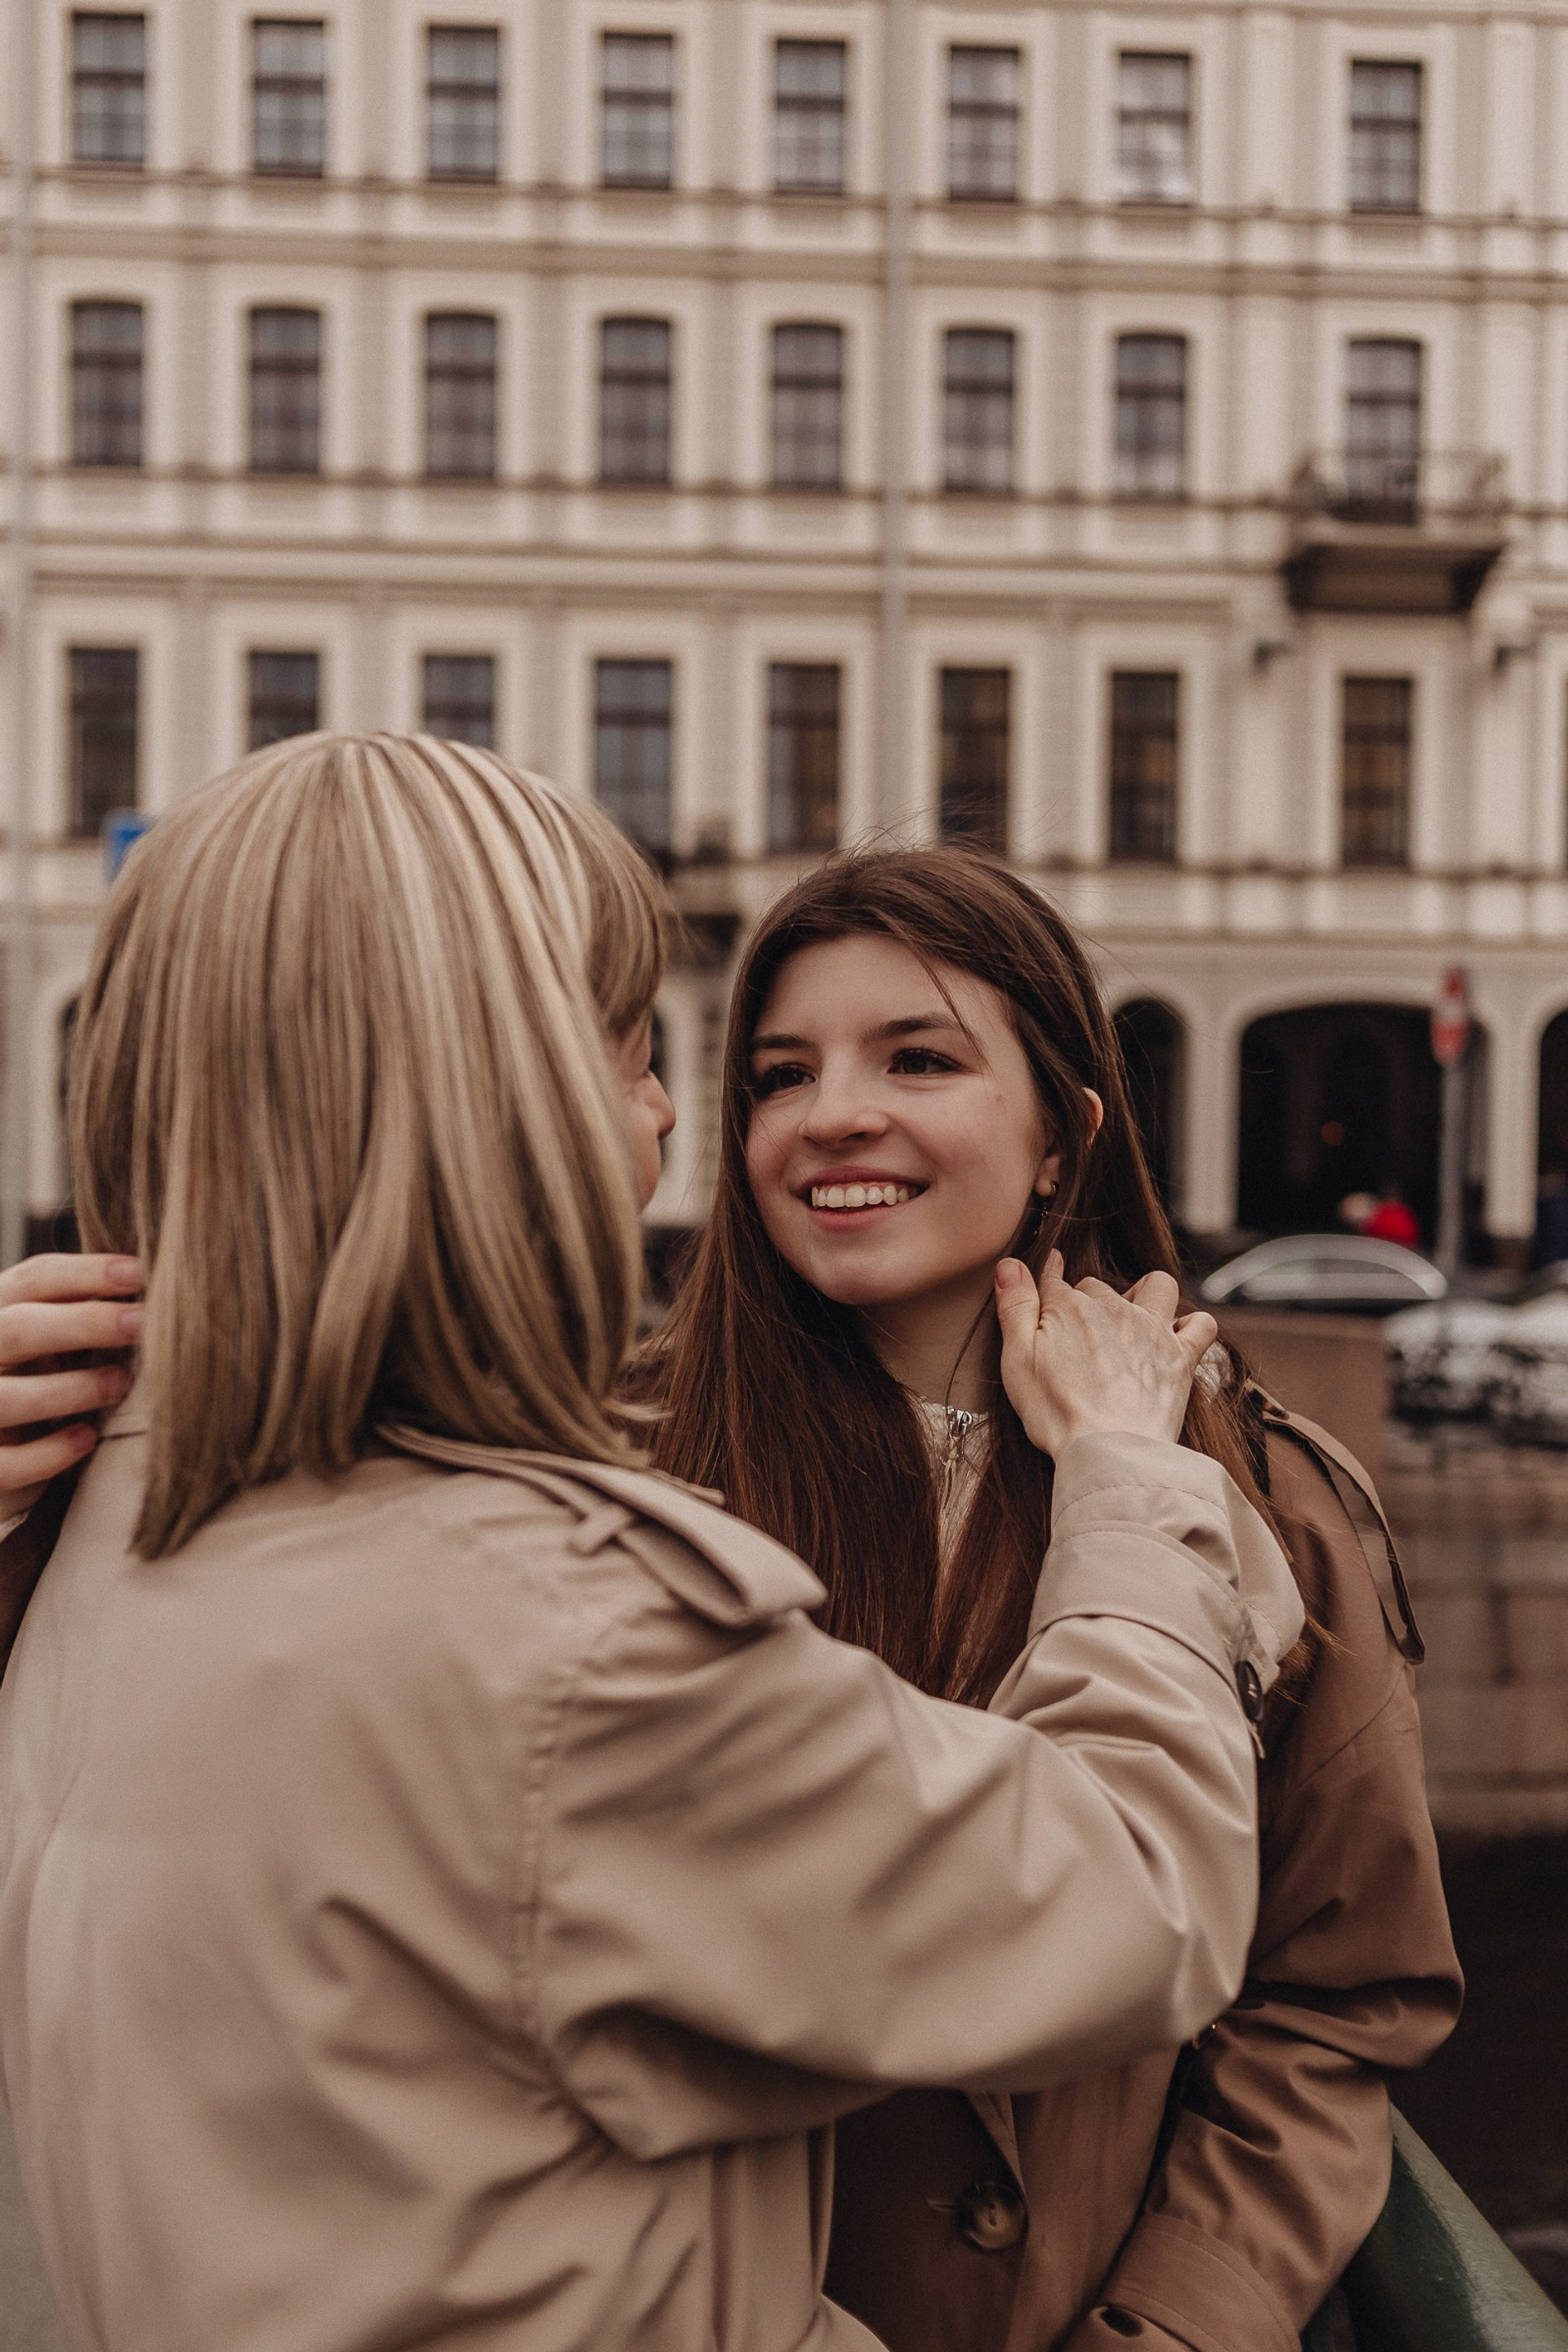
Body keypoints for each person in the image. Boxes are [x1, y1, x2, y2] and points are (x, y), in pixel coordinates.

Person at [0, 737, 1303, 2352]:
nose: (674, 1112)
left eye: (919, 1058)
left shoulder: (85, 1527)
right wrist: (1125, 1480)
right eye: (637, 1055)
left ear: (1065, 1134)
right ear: (500, 1113)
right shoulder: (582, 1637)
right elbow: (1135, 1895)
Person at [643, 848, 1463, 2352]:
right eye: (779, 1072)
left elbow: (1339, 1998)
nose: (832, 1113)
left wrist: (1179, 2320)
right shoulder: (625, 1464)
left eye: (919, 1057)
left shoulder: (1266, 1493)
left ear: (1060, 1137)